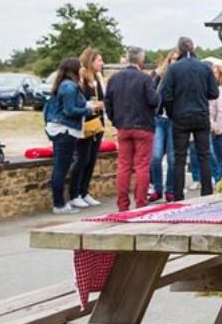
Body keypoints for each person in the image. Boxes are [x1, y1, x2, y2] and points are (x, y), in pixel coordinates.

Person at [161, 37, 219, 199]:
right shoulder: (204, 68)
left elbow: (165, 94)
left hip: (180, 115)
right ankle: (207, 193)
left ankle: (178, 195)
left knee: (180, 157)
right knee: (204, 155)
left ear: (178, 50)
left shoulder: (173, 69)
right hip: (200, 114)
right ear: (193, 48)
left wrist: (172, 112)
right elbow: (214, 93)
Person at [102, 46, 159, 212]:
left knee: (124, 165)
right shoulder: (145, 79)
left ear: (127, 58)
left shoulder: (114, 79)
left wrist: (115, 120)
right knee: (142, 165)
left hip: (123, 126)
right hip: (143, 125)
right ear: (140, 60)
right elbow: (153, 100)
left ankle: (122, 204)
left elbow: (108, 102)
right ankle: (141, 202)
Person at [43, 58, 98, 214]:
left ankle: (60, 202)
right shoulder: (70, 86)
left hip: (60, 129)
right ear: (74, 69)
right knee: (61, 167)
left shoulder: (65, 85)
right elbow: (70, 110)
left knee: (61, 166)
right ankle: (59, 204)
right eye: (80, 67)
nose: (82, 69)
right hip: (65, 130)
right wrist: (89, 110)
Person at [68, 48, 106, 209]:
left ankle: (85, 191)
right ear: (90, 62)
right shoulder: (81, 80)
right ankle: (74, 193)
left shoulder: (98, 77)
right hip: (85, 123)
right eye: (99, 60)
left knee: (91, 159)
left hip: (97, 122)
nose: (101, 63)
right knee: (82, 158)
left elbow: (103, 98)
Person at [147, 52, 177, 203]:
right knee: (156, 156)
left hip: (173, 120)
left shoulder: (181, 78)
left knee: (172, 158)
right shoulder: (159, 76)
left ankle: (170, 189)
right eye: (173, 59)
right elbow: (151, 95)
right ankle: (157, 188)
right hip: (159, 119)